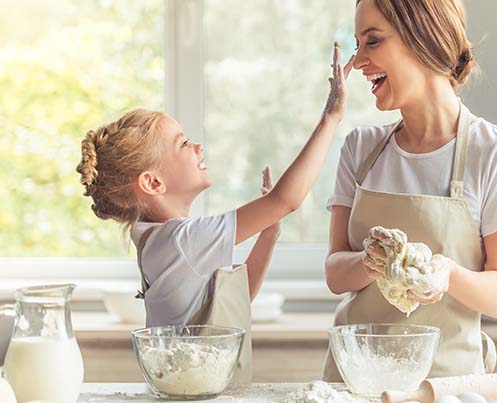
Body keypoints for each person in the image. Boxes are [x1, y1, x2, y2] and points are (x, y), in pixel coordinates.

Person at [76, 43, 354, 383]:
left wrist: (269, 233)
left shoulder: (162, 240)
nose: (197, 147)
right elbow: (287, 199)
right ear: (152, 182)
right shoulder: (182, 240)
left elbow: (235, 301)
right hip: (194, 402)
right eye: (182, 143)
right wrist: (331, 117)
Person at [322, 0, 497, 380]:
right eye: (357, 45)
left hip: (445, 391)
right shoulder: (360, 149)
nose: (358, 61)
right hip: (355, 382)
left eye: (372, 42)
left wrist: (446, 274)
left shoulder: (496, 155)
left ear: (422, 37)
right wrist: (374, 260)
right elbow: (336, 274)